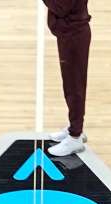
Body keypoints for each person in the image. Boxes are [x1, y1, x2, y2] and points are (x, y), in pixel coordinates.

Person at [43, 0, 92, 157]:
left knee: (74, 88)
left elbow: (60, 7)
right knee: (71, 86)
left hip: (74, 36)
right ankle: (74, 128)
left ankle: (75, 137)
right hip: (70, 34)